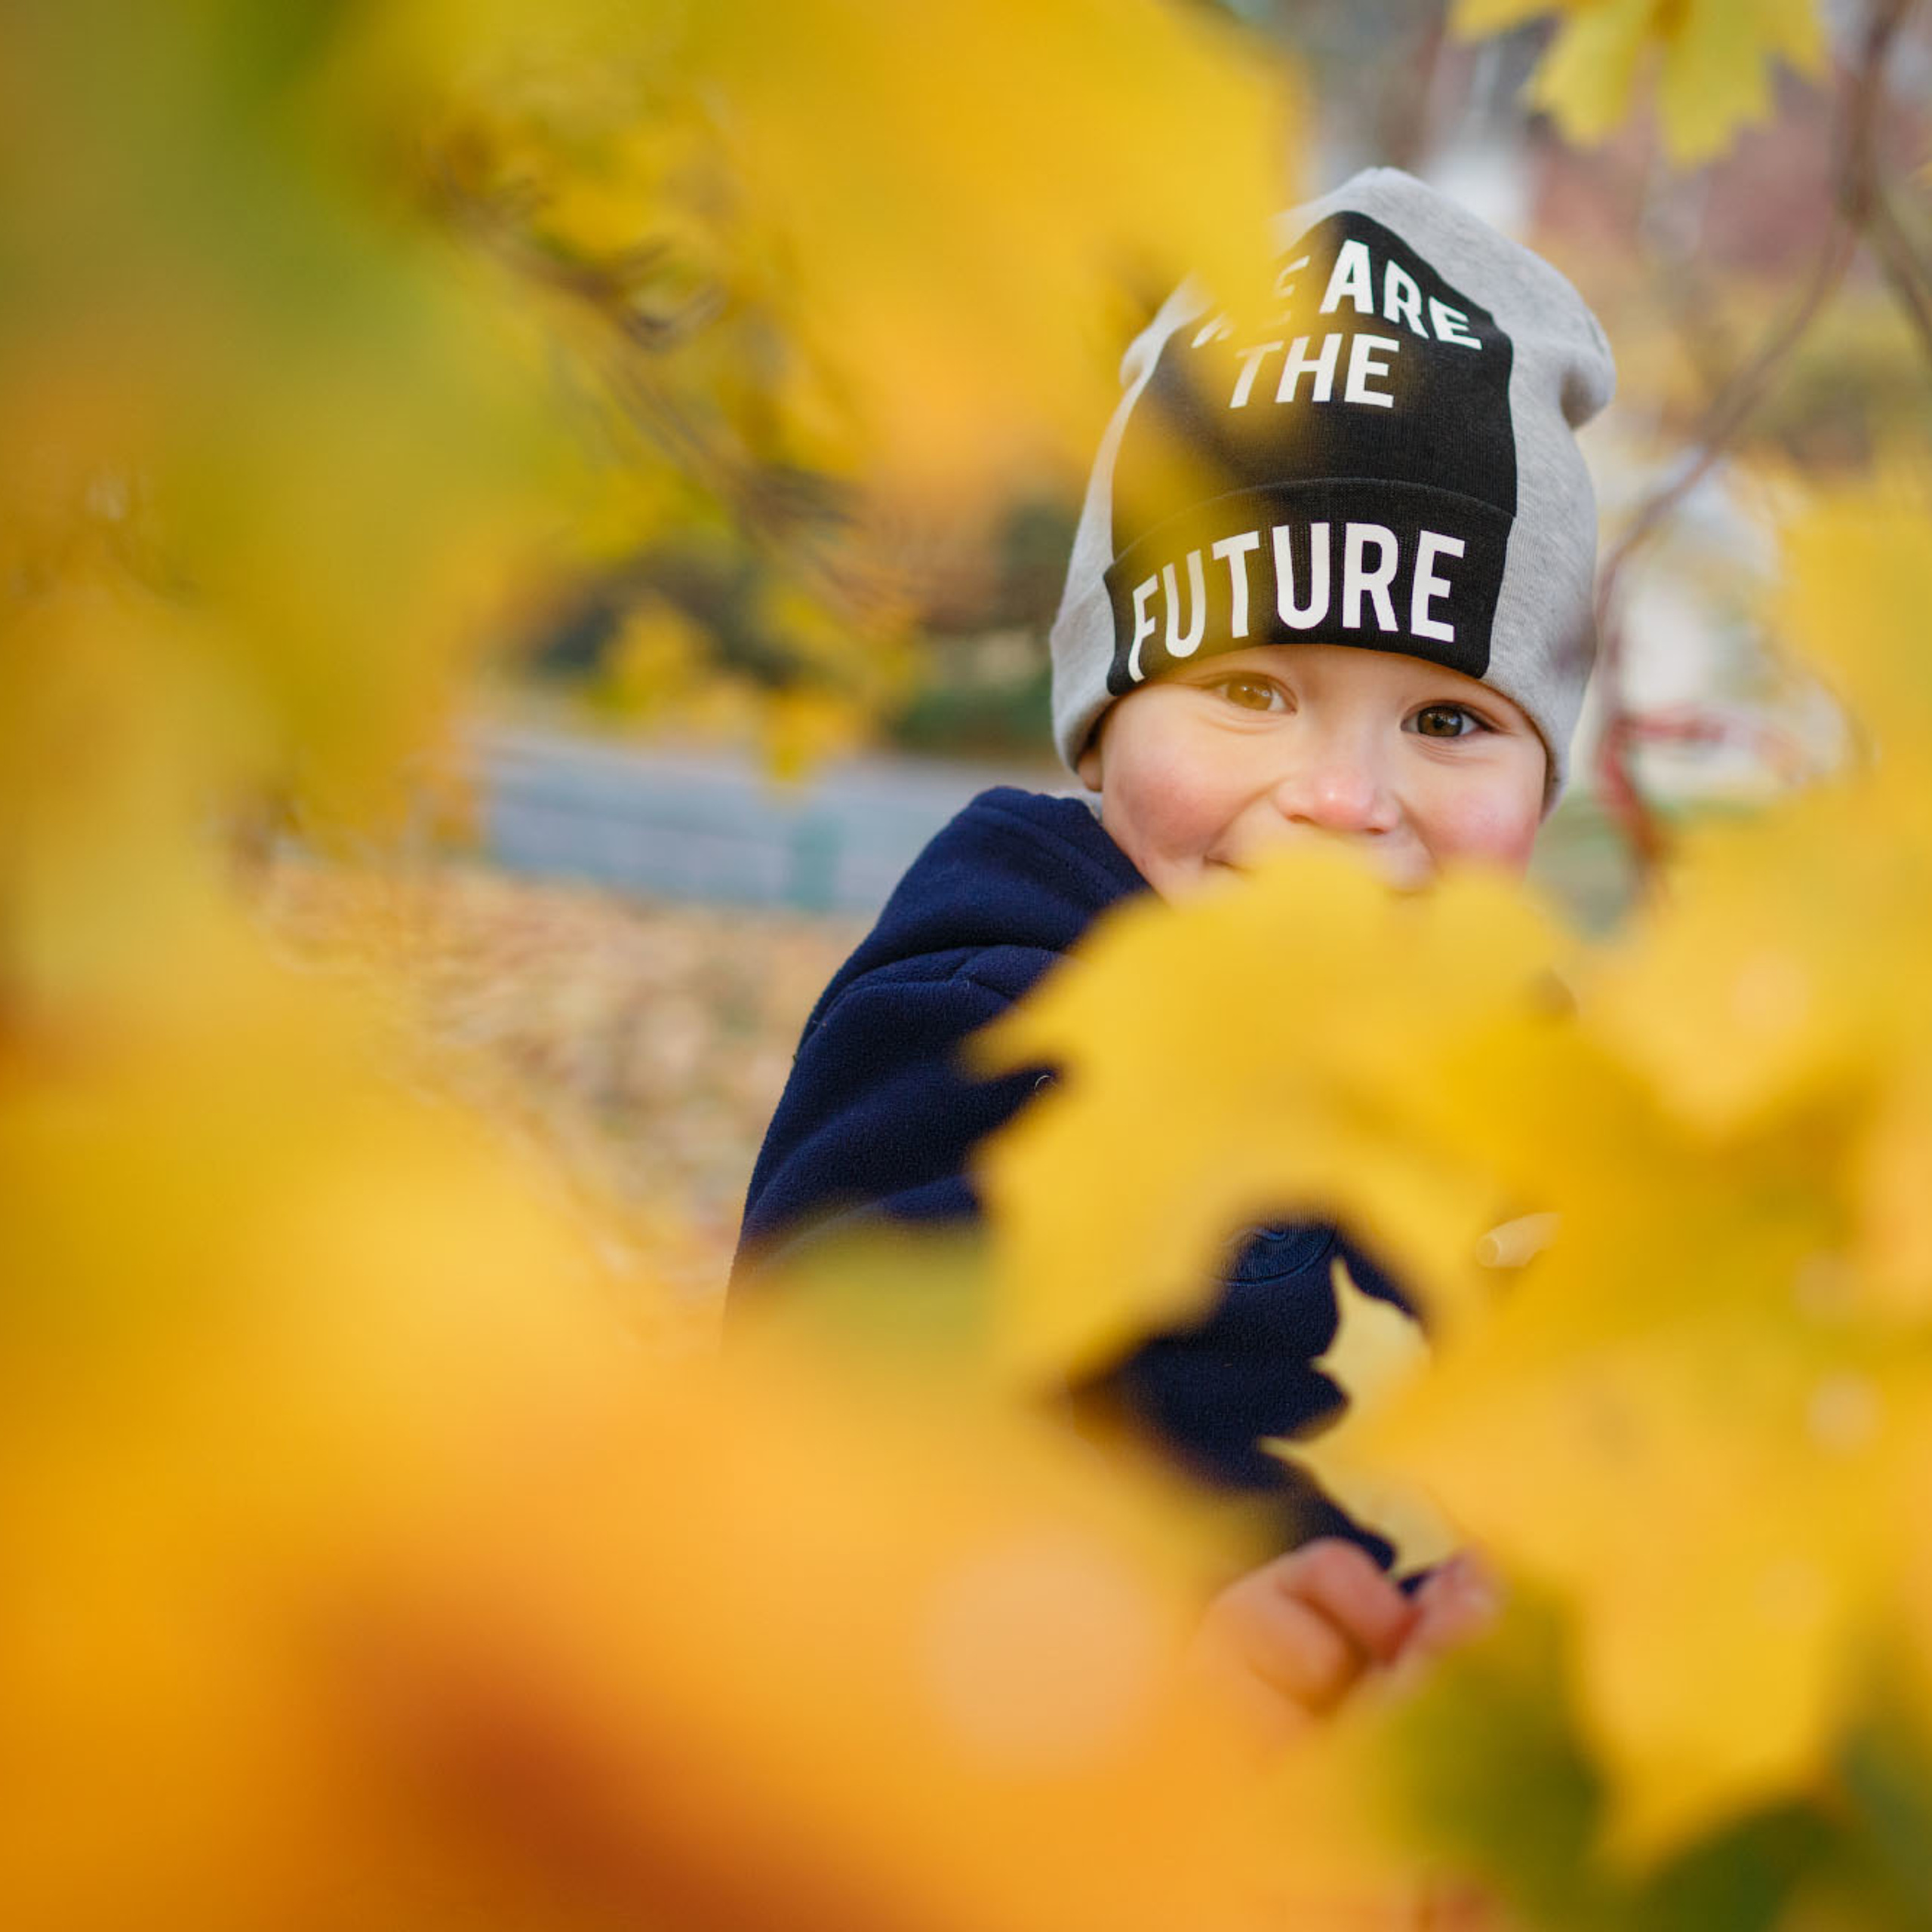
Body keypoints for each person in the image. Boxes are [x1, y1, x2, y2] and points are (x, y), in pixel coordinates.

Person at [730, 168, 1615, 1736]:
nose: (1339, 801)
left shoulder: (1563, 1103)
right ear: (1103, 719)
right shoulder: (985, 1015)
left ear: (1541, 782)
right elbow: (814, 1480)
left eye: (1445, 721)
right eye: (1252, 692)